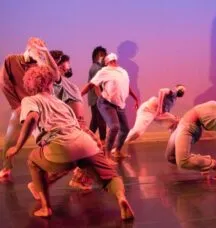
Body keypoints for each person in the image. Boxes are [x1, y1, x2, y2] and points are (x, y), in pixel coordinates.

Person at [6, 66, 134, 220]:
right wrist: (96, 142)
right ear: (49, 84)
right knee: (109, 177)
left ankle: (46, 208)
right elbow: (78, 127)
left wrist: (17, 147)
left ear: (29, 86)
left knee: (33, 160)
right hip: (86, 145)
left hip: (61, 148)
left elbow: (32, 118)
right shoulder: (62, 104)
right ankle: (121, 198)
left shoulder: (30, 100)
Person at [0, 37, 59, 178]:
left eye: (42, 50)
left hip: (40, 108)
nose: (39, 53)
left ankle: (48, 169)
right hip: (21, 107)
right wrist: (16, 106)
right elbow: (4, 83)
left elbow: (56, 76)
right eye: (37, 49)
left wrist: (44, 56)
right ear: (29, 48)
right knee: (10, 140)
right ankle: (7, 167)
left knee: (47, 139)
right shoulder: (12, 60)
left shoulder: (41, 65)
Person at [50, 50, 104, 190]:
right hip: (73, 127)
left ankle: (76, 178)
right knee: (88, 153)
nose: (68, 67)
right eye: (63, 65)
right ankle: (44, 183)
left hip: (77, 126)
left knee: (89, 152)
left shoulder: (64, 83)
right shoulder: (56, 83)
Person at [81, 53, 139, 158]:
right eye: (111, 61)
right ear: (107, 62)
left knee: (125, 129)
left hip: (120, 105)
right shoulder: (104, 71)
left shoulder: (123, 71)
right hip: (106, 103)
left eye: (114, 60)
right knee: (114, 127)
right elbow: (91, 84)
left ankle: (117, 151)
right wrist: (79, 95)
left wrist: (135, 98)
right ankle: (106, 155)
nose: (113, 62)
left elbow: (127, 86)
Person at [88, 46, 107, 144]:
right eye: (104, 55)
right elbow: (96, 86)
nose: (105, 58)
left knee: (95, 122)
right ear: (99, 56)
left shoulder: (97, 67)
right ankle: (103, 143)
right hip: (97, 99)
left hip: (94, 99)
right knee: (101, 121)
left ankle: (87, 141)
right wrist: (101, 99)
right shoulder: (97, 68)